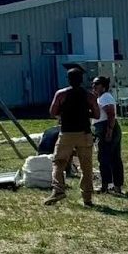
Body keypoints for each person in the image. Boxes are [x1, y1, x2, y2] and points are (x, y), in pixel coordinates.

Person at [45, 67, 98, 207]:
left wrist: (64, 114)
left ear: (68, 79)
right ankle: (87, 198)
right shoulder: (89, 96)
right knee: (86, 167)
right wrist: (86, 114)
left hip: (67, 133)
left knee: (58, 162)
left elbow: (52, 111)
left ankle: (58, 190)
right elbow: (97, 114)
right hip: (84, 134)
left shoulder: (61, 94)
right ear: (81, 80)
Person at [92, 76, 123, 194]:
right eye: (93, 84)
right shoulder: (100, 98)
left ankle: (106, 185)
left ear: (103, 86)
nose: (94, 86)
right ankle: (115, 186)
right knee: (112, 158)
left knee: (105, 158)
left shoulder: (105, 97)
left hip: (107, 127)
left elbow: (111, 113)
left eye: (97, 84)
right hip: (104, 127)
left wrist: (109, 131)